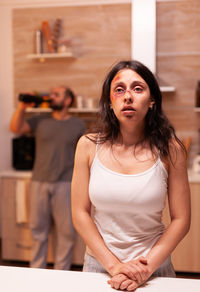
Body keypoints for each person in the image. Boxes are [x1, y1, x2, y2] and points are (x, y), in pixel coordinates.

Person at [71, 60, 191, 291]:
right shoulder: (87, 145)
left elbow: (181, 220)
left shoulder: (171, 148)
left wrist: (145, 268)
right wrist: (115, 266)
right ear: (109, 102)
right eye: (119, 89)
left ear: (152, 100)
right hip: (100, 267)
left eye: (137, 88)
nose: (128, 96)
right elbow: (79, 213)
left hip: (154, 269)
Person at [10, 86, 86, 270]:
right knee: (38, 231)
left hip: (66, 184)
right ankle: (37, 272)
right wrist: (22, 107)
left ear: (68, 101)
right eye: (51, 94)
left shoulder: (78, 125)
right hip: (39, 182)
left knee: (66, 232)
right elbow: (15, 128)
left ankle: (62, 274)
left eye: (56, 94)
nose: (51, 97)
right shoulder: (40, 121)